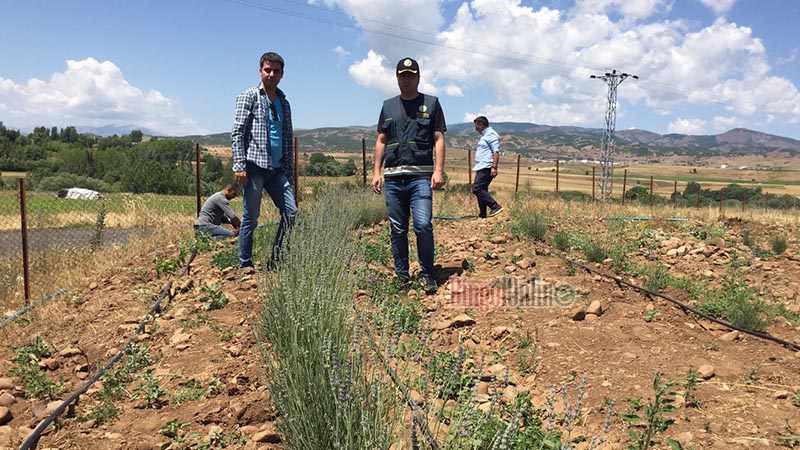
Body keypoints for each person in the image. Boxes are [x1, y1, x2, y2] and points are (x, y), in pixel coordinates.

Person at [372, 57, 446, 294]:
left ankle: (427, 273)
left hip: (421, 177)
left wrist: (438, 170)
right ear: (397, 78)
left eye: (411, 75)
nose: (406, 79)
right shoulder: (388, 106)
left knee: (423, 225)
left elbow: (438, 138)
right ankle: (402, 276)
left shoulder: (431, 103)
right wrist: (376, 172)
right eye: (402, 75)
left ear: (418, 77)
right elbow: (381, 140)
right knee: (398, 229)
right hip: (393, 178)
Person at [232, 51, 298, 269]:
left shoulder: (284, 102)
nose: (271, 74)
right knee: (251, 217)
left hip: (277, 169)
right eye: (267, 70)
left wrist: (288, 170)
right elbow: (238, 132)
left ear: (282, 74)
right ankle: (245, 263)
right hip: (254, 167)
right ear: (260, 71)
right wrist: (239, 166)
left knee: (291, 212)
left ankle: (277, 259)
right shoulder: (249, 96)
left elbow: (287, 137)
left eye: (275, 71)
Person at [471, 116, 503, 218]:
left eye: (476, 126)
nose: (475, 128)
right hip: (482, 166)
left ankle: (495, 206)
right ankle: (482, 214)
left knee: (477, 188)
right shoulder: (486, 135)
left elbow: (496, 152)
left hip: (487, 166)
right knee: (482, 189)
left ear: (481, 125)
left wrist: (494, 167)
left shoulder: (491, 135)